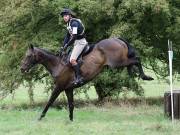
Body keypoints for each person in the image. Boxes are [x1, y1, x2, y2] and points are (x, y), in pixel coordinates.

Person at [60, 8, 88, 85]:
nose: (64, 17)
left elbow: (74, 36)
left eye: (66, 16)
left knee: (72, 60)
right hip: (76, 43)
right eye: (63, 16)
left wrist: (67, 45)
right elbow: (68, 36)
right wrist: (63, 46)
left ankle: (79, 78)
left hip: (81, 43)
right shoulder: (69, 24)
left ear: (70, 16)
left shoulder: (74, 23)